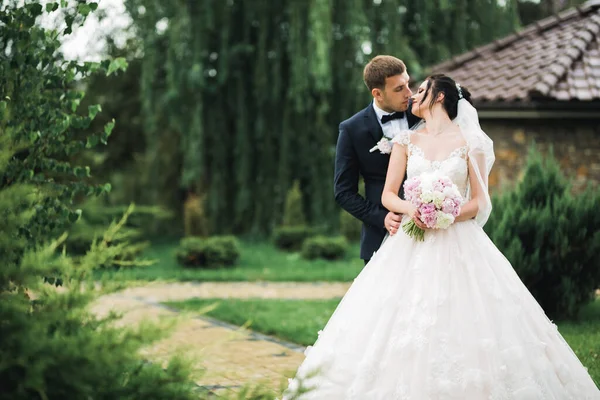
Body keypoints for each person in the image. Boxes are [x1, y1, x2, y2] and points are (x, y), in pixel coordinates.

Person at [283, 74, 600, 399]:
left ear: (439, 97)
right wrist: (412, 209)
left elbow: (479, 201)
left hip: (459, 241)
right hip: (410, 239)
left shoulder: (470, 143)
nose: (413, 95)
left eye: (421, 90)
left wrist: (446, 214)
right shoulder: (406, 141)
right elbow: (388, 195)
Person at [334, 55, 421, 265]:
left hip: (428, 234)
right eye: (399, 89)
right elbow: (343, 192)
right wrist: (380, 218)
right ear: (377, 93)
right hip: (381, 239)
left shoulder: (422, 114)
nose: (409, 94)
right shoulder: (352, 129)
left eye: (408, 84)